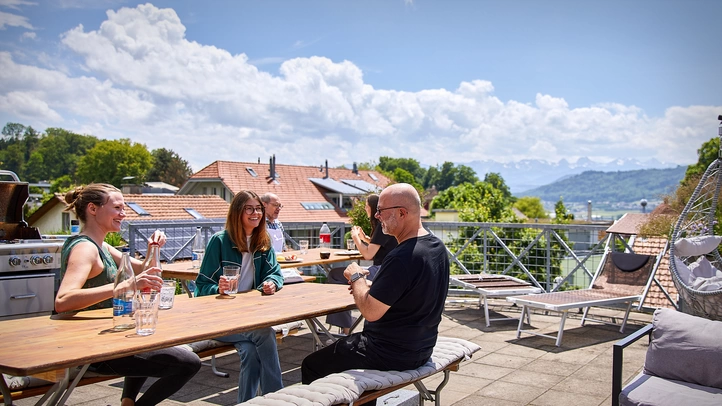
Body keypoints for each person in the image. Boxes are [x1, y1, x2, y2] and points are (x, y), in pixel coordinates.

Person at [301, 184, 450, 405]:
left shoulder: (402, 256)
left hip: (389, 352)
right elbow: (412, 291)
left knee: (311, 365)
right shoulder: (436, 247)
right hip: (422, 347)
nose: (377, 216)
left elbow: (370, 312)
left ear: (402, 213)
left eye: (381, 210)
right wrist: (371, 284)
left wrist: (355, 277)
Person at [55, 184, 201, 406]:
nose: (123, 213)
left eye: (124, 208)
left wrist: (154, 248)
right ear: (93, 209)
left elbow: (147, 271)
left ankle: (128, 401)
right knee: (188, 363)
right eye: (117, 208)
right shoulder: (86, 249)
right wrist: (128, 285)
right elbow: (63, 301)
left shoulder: (102, 246)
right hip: (93, 351)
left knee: (148, 339)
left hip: (111, 338)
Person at [195, 190, 285, 403]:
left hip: (247, 316)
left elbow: (275, 273)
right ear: (237, 212)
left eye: (258, 209)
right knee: (265, 333)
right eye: (249, 209)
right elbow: (201, 287)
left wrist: (271, 283)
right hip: (220, 319)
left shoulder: (263, 242)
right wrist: (218, 289)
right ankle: (278, 399)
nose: (256, 213)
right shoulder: (219, 241)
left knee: (252, 355)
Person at [326, 194, 398, 333]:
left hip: (380, 270)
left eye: (366, 205)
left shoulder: (381, 226)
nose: (365, 208)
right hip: (385, 269)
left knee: (335, 275)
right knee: (340, 276)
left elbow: (368, 254)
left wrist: (355, 239)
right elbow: (378, 245)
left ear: (373, 208)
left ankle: (346, 326)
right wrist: (364, 238)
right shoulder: (382, 226)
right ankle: (347, 322)